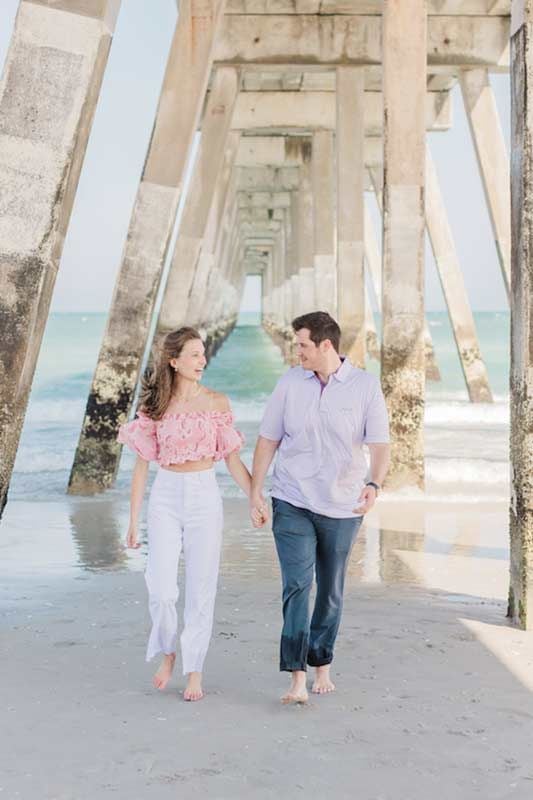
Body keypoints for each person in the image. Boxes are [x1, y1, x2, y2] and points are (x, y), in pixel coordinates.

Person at [250, 311, 390, 704]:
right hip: (292, 499)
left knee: (330, 590)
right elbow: (267, 439)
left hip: (342, 506)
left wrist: (374, 484)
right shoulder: (289, 383)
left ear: (326, 345)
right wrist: (256, 491)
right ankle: (296, 677)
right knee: (297, 585)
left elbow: (380, 445)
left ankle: (321, 663)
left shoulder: (364, 386)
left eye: (302, 345)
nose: (297, 352)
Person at [118, 327, 254, 702]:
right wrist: (132, 520)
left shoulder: (217, 403)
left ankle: (194, 670)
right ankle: (168, 652)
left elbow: (231, 459)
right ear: (174, 361)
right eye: (194, 354)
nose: (202, 361)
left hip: (204, 496)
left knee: (200, 587)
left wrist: (257, 497)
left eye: (203, 354)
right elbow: (142, 466)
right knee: (161, 590)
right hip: (165, 496)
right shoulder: (156, 407)